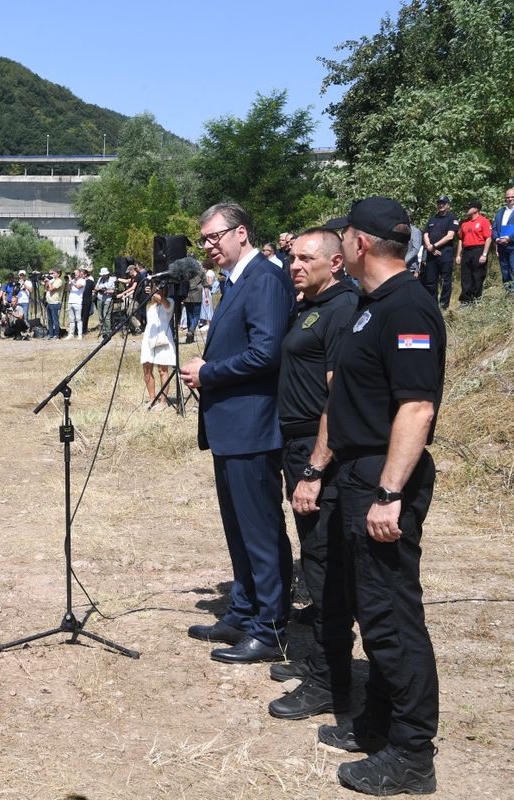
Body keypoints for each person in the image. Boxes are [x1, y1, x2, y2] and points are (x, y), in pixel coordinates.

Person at [320, 196, 443, 796]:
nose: (338, 245)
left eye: (342, 237)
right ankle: (377, 721)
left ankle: (412, 753)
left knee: (393, 618)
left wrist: (390, 492)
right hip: (357, 474)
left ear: (360, 243)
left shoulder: (409, 306)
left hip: (383, 480)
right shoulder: (373, 306)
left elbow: (417, 407)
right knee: (372, 610)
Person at [181, 202, 294, 664]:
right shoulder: (236, 281)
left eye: (214, 237)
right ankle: (244, 612)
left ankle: (269, 629)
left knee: (261, 531)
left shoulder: (265, 279)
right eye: (203, 240)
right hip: (231, 427)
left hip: (253, 427)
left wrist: (210, 373)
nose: (208, 246)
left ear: (241, 233)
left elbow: (266, 353)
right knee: (238, 529)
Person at [267, 227, 359, 722]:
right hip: (297, 444)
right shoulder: (312, 303)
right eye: (291, 257)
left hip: (315, 449)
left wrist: (312, 470)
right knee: (316, 557)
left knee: (324, 566)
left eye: (305, 258)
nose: (294, 265)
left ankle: (330, 680)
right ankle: (325, 659)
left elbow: (336, 399)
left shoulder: (342, 308)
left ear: (336, 262)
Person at [140, 286, 176, 410]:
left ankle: (163, 401)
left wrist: (156, 295)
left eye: (160, 289)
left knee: (162, 370)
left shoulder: (169, 301)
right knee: (146, 369)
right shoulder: (150, 306)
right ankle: (152, 399)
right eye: (156, 289)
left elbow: (166, 305)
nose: (158, 291)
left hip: (163, 338)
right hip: (149, 337)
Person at [422, 196, 458, 310]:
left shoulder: (452, 218)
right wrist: (429, 247)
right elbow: (425, 233)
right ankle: (433, 305)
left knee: (445, 280)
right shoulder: (432, 218)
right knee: (430, 281)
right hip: (431, 254)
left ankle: (444, 306)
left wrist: (434, 246)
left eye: (443, 203)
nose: (441, 205)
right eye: (439, 203)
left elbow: (450, 236)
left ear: (448, 205)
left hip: (445, 253)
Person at [455, 199, 491, 305]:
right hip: (467, 251)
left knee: (478, 276)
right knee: (466, 276)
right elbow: (461, 239)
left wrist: (484, 254)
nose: (466, 210)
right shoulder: (464, 223)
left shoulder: (483, 221)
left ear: (475, 209)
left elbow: (488, 238)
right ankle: (465, 301)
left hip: (478, 250)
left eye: (468, 208)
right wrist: (458, 254)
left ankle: (476, 299)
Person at [493, 187, 514, 294]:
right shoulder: (500, 212)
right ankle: (508, 293)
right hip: (501, 246)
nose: (510, 199)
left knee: (513, 270)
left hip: (512, 246)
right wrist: (497, 238)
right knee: (505, 271)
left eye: (512, 197)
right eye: (507, 197)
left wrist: (509, 237)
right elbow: (495, 228)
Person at [94, 267, 118, 337]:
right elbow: (96, 287)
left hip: (108, 299)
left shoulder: (112, 280)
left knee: (106, 315)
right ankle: (103, 330)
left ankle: (108, 331)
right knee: (100, 316)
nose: (103, 276)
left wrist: (106, 291)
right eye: (102, 275)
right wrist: (99, 289)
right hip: (100, 298)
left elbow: (114, 290)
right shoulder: (100, 279)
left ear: (107, 274)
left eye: (104, 275)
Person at [65, 268, 85, 339]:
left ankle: (80, 334)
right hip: (70, 301)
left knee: (78, 319)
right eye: (74, 273)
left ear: (80, 273)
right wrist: (68, 281)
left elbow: (78, 287)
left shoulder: (82, 280)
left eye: (76, 273)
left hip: (78, 302)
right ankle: (71, 334)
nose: (75, 274)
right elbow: (68, 289)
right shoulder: (72, 280)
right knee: (71, 319)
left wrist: (71, 280)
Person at [44, 269, 63, 339]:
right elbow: (46, 289)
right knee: (49, 320)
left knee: (55, 320)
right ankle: (51, 334)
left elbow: (51, 289)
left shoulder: (59, 281)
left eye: (54, 273)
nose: (52, 274)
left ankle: (57, 335)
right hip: (49, 302)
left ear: (58, 274)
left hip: (55, 302)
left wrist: (48, 282)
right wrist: (46, 282)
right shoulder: (52, 280)